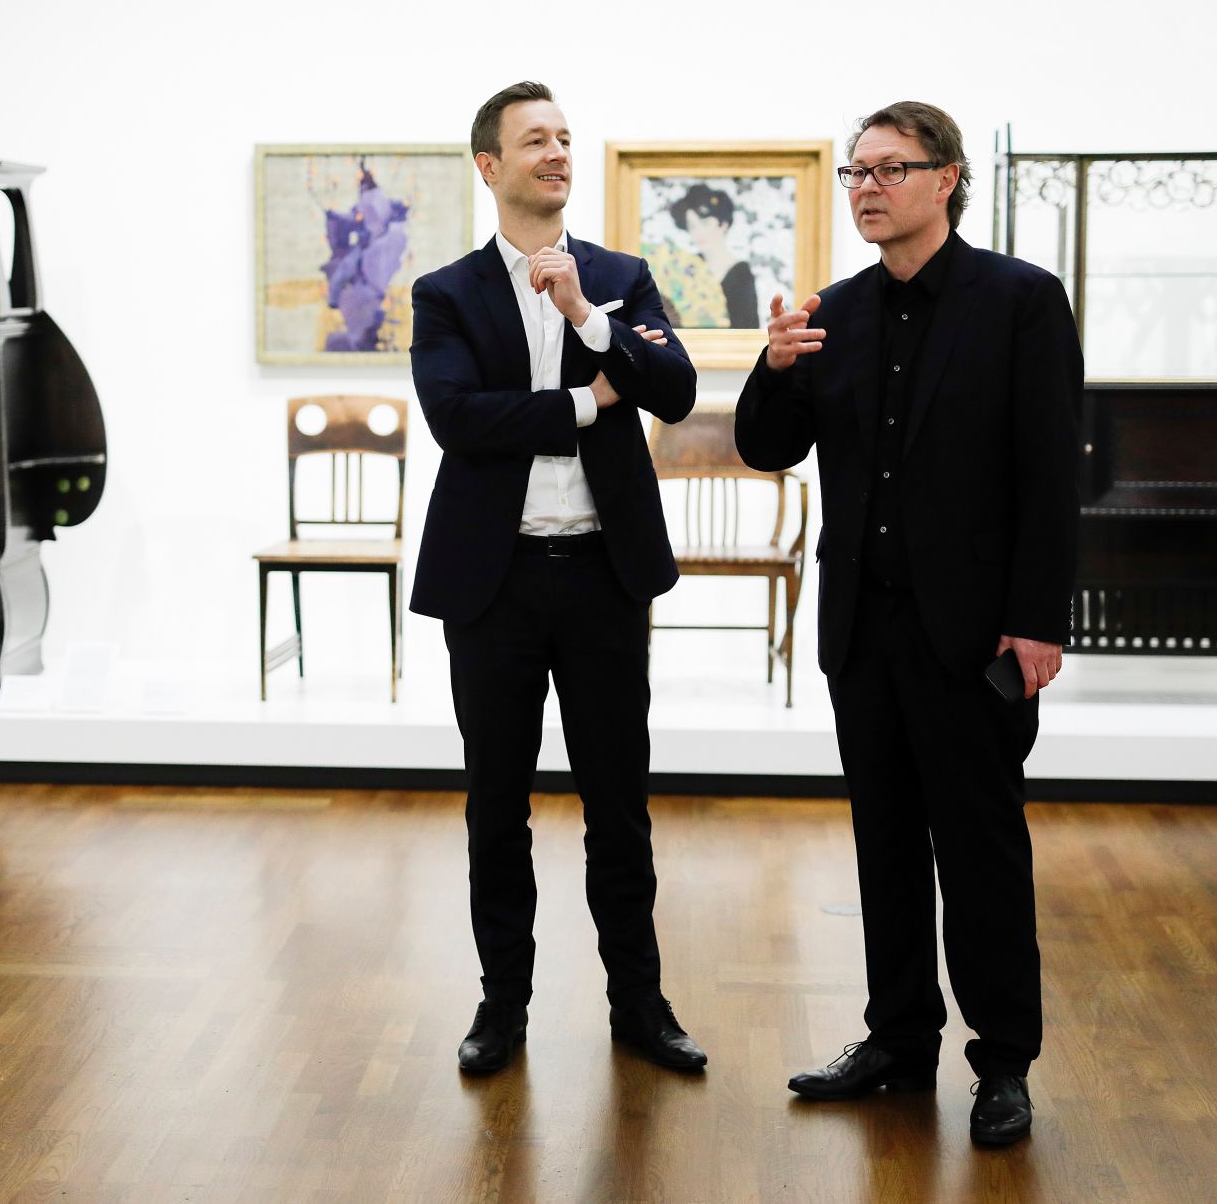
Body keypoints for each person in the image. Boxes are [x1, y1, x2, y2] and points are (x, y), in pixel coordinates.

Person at [734, 101, 1082, 1146]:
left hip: (972, 633)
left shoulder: (1016, 302)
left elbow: (1046, 473)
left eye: (889, 168)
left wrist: (1034, 621)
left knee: (978, 849)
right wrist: (775, 364)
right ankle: (895, 1039)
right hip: (861, 631)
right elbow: (763, 447)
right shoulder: (830, 312)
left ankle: (1002, 1060)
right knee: (881, 846)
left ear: (946, 178)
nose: (867, 188)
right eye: (854, 172)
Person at [409, 81, 704, 1074]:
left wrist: (585, 316)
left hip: (601, 578)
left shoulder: (621, 275)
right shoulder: (445, 294)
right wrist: (584, 403)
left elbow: (673, 388)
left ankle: (640, 1006)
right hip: (492, 587)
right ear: (489, 167)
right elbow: (458, 418)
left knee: (617, 803)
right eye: (534, 139)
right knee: (496, 807)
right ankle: (502, 1009)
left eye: (566, 138)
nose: (557, 151)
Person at [669, 184, 759, 328]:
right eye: (692, 225)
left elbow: (748, 328)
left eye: (705, 223)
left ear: (723, 224)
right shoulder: (689, 266)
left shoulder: (740, 274)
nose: (698, 233)